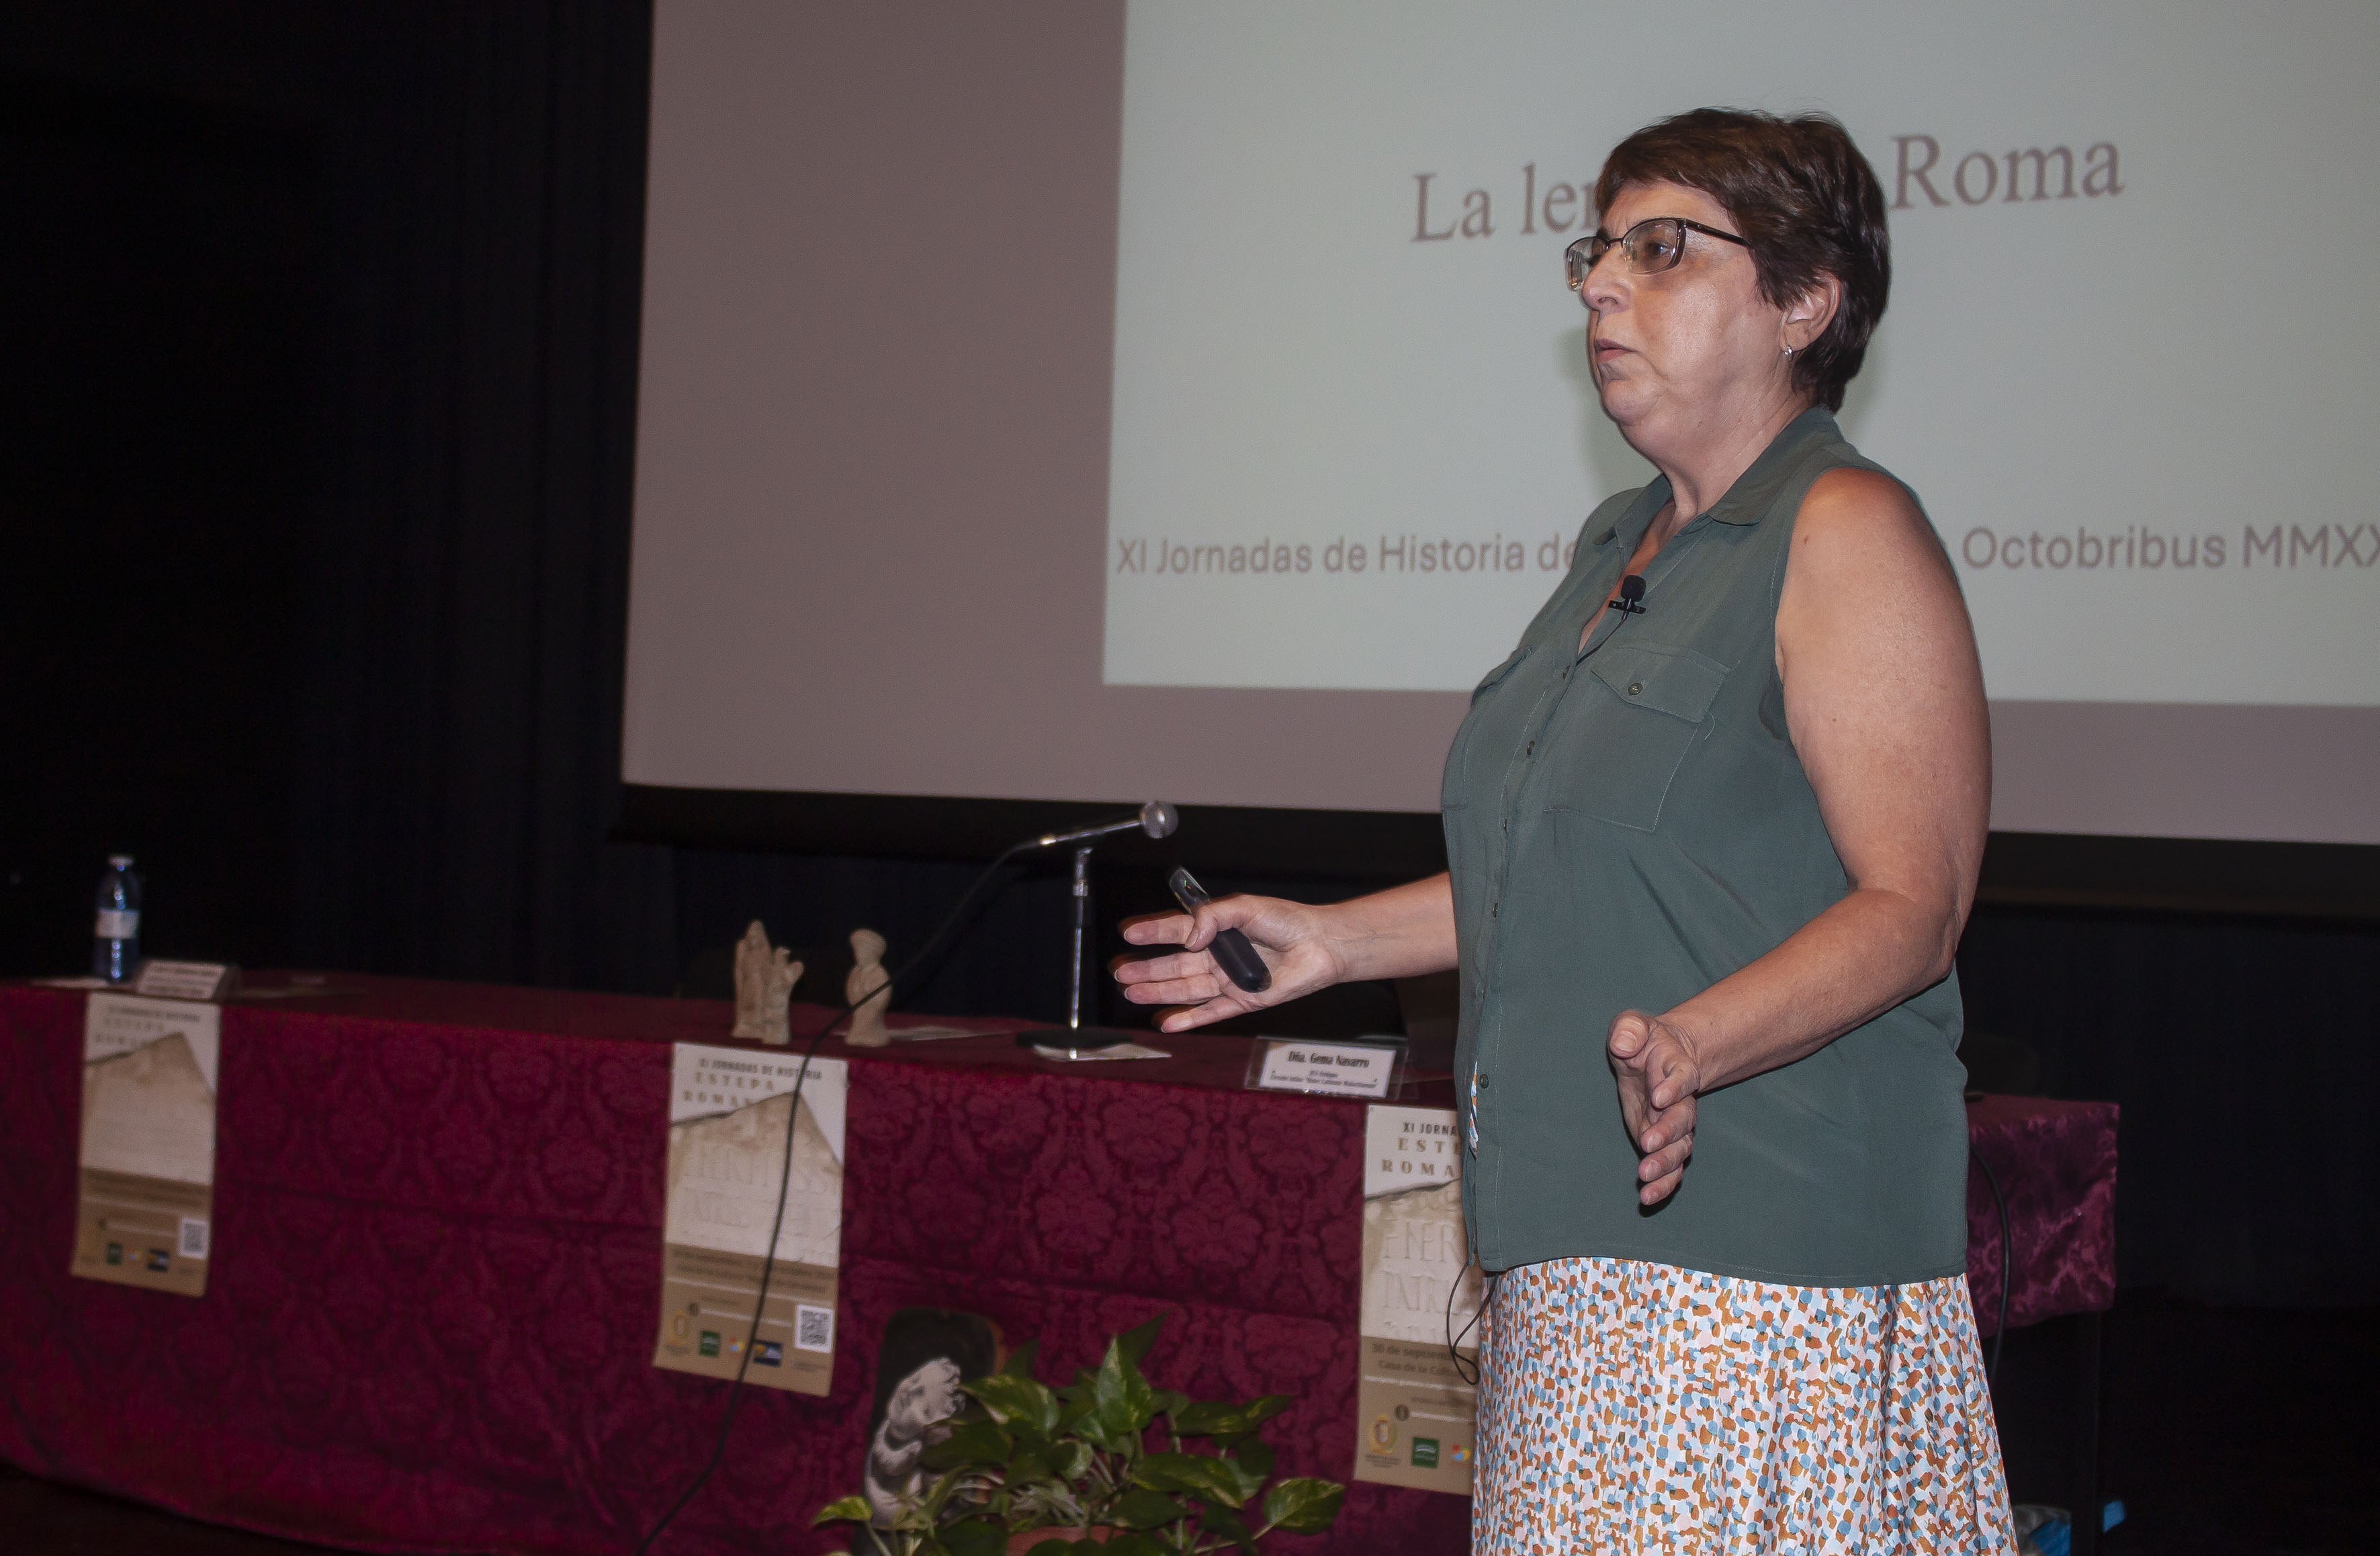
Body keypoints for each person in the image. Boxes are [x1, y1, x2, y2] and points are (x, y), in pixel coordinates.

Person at [1116, 108, 2012, 1553]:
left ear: (1803, 300)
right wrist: (1333, 942)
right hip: (1569, 1264)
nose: (1599, 283)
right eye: (1596, 252)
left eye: (1660, 249)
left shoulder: (1842, 527)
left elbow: (1917, 903)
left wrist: (1696, 1042)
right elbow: (1558, 865)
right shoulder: (1617, 544)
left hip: (1762, 1276)